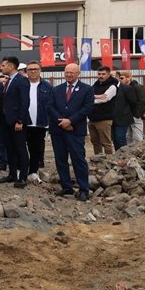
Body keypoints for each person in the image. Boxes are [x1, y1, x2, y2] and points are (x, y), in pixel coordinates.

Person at [47, 63, 95, 201]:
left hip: (75, 130)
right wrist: (62, 121)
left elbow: (87, 108)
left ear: (78, 73)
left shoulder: (86, 89)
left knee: (78, 159)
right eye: (66, 72)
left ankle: (83, 189)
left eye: (72, 72)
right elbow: (50, 107)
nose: (68, 75)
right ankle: (66, 186)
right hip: (58, 130)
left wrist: (70, 121)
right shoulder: (56, 89)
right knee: (60, 159)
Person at [0, 56, 30, 188]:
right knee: (9, 148)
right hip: (7, 121)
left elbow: (24, 102)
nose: (1, 67)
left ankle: (22, 177)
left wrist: (20, 120)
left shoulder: (21, 80)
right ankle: (12, 174)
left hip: (17, 122)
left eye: (3, 65)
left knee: (20, 149)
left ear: (11, 67)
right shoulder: (9, 81)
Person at [24, 61, 52, 182]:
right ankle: (21, 170)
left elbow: (51, 105)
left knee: (36, 149)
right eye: (30, 69)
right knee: (21, 148)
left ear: (40, 70)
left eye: (36, 69)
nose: (33, 71)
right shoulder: (22, 85)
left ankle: (33, 171)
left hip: (40, 123)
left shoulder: (47, 86)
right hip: (24, 122)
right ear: (26, 71)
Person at [87, 66, 117, 155]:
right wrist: (97, 96)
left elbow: (104, 99)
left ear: (108, 74)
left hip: (104, 119)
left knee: (106, 143)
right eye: (99, 74)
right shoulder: (95, 85)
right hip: (92, 118)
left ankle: (109, 162)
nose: (101, 76)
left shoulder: (112, 86)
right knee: (95, 143)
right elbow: (87, 96)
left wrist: (91, 99)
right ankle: (98, 162)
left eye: (103, 74)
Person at [112, 71, 137, 150]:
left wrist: (126, 111)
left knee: (120, 138)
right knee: (115, 139)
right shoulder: (108, 88)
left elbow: (133, 102)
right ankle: (117, 155)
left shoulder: (126, 88)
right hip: (112, 118)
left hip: (123, 118)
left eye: (112, 76)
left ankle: (123, 156)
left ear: (118, 77)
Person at [122, 72, 145, 143]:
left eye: (122, 78)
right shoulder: (125, 88)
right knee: (128, 136)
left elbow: (142, 101)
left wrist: (136, 115)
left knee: (137, 137)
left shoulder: (137, 87)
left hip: (135, 116)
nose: (120, 80)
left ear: (129, 78)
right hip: (127, 115)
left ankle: (139, 152)